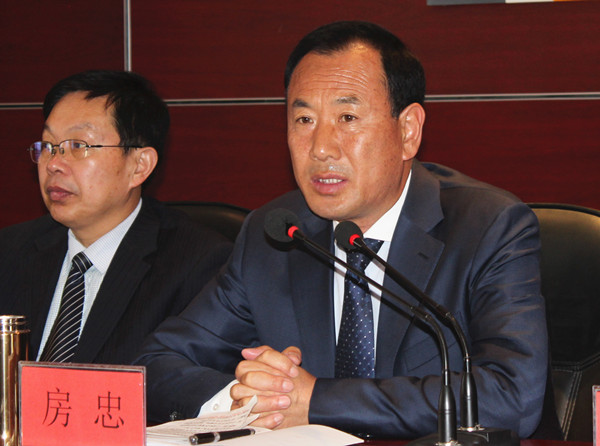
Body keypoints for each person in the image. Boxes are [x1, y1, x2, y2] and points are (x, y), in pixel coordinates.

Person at [136, 21, 548, 439]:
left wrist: (316, 401)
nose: (320, 148)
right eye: (303, 119)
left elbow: (514, 397)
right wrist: (247, 399)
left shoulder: (487, 227)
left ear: (408, 130)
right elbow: (154, 365)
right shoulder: (275, 234)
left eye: (347, 117)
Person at [0, 70, 232, 365]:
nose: (53, 164)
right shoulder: (9, 251)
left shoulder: (198, 265)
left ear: (139, 165)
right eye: (48, 146)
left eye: (78, 146)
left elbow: (183, 383)